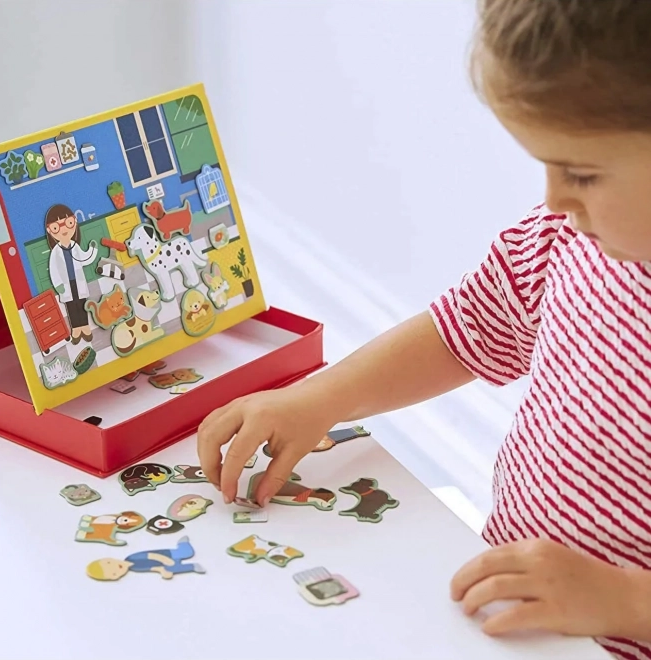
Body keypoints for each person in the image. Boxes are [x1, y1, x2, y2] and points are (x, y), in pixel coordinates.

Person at [197, 1, 651, 657]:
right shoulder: (572, 234)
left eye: (581, 173)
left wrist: (625, 602)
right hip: (513, 618)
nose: (553, 198)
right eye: (546, 165)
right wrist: (319, 398)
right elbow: (465, 328)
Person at [46, 204, 97, 344]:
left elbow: (85, 259)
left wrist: (92, 250)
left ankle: (85, 326)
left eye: (68, 223)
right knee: (71, 306)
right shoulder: (55, 252)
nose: (63, 229)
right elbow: (53, 269)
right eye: (56, 227)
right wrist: (58, 285)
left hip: (78, 281)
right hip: (65, 284)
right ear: (49, 230)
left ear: (74, 222)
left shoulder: (75, 246)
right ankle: (76, 329)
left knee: (81, 303)